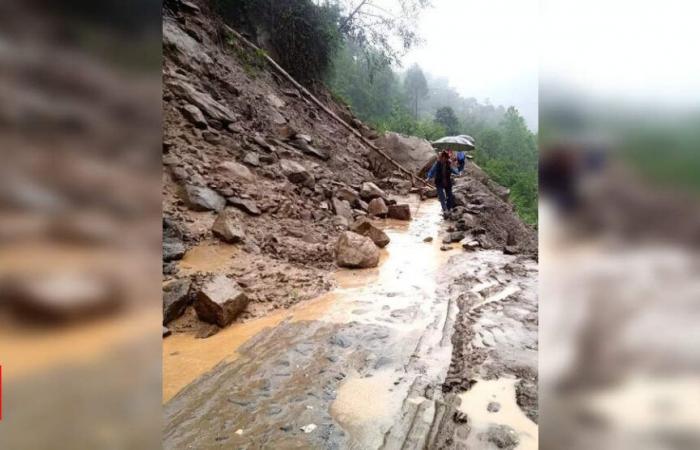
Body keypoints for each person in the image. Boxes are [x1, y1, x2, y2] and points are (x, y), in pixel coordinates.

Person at [426, 150, 459, 217]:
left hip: (447, 182)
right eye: (442, 157)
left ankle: (449, 209)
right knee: (442, 197)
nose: (443, 159)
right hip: (439, 182)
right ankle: (445, 210)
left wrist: (457, 170)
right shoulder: (437, 164)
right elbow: (432, 171)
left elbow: (454, 171)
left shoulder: (448, 164)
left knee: (450, 196)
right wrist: (428, 178)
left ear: (446, 158)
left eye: (445, 158)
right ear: (441, 157)